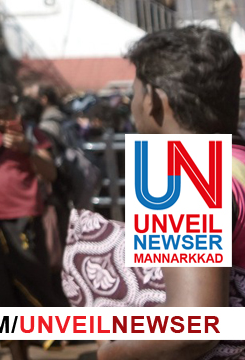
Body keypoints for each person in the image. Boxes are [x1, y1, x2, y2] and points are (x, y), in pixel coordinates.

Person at [92, 26, 244, 360]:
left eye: (134, 93)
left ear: (154, 100)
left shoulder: (182, 176)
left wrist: (109, 354)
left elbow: (193, 327)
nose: (133, 106)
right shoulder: (236, 161)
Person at [0, 84, 61, 360]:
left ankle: (46, 338)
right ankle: (17, 353)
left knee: (32, 280)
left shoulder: (30, 132)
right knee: (1, 292)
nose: (2, 120)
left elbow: (51, 173)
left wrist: (27, 149)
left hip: (24, 220)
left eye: (6, 113)